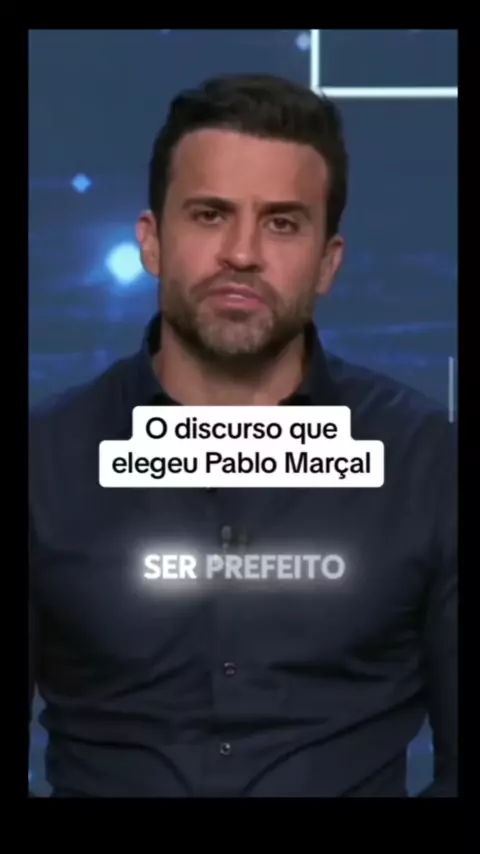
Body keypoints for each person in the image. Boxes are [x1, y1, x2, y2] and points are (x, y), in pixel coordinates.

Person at [29, 73, 457, 797]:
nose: (242, 252)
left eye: (282, 223)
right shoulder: (45, 462)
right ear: (152, 242)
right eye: (210, 214)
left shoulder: (427, 462)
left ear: (328, 263)